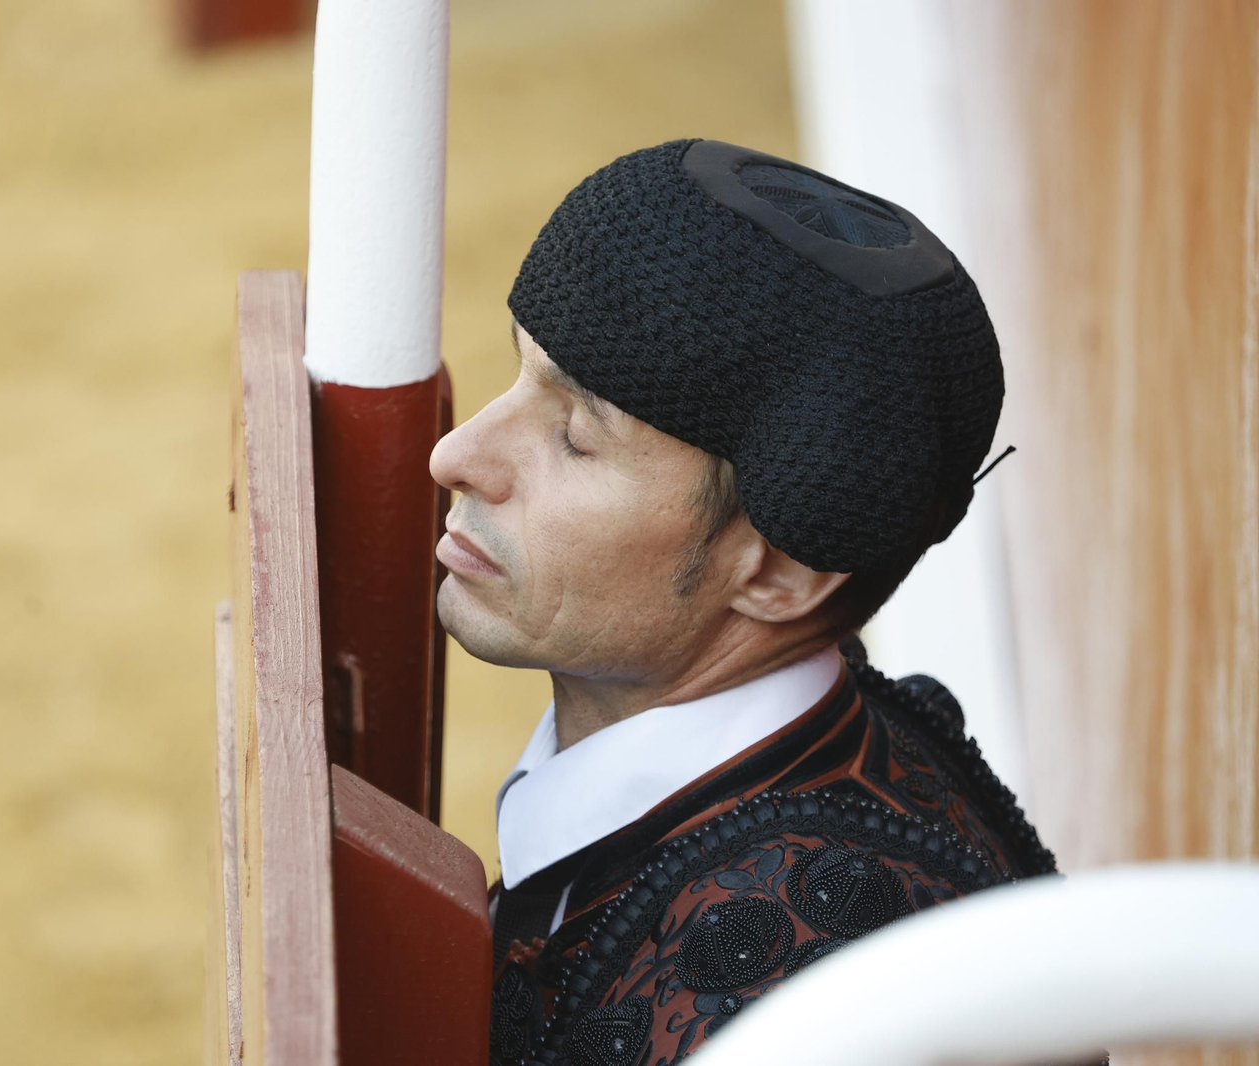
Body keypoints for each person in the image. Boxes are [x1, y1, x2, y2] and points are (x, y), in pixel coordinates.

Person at [430, 139, 1058, 1066]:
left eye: (573, 435)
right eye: (519, 374)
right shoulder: (833, 758)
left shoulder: (811, 1022)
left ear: (780, 576)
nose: (455, 454)